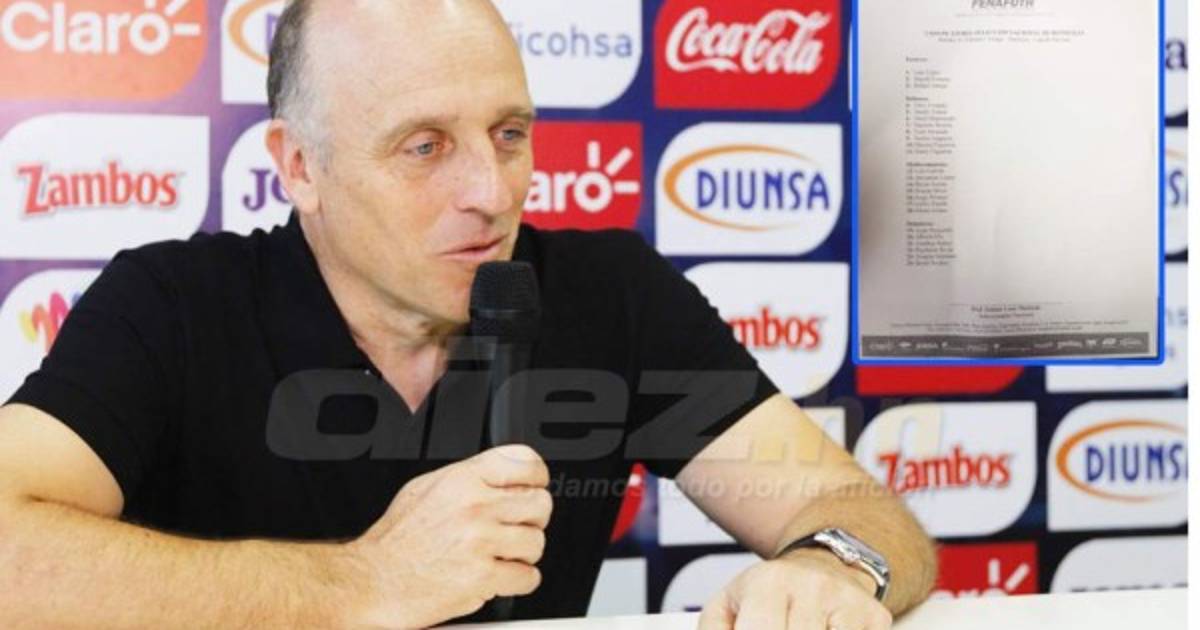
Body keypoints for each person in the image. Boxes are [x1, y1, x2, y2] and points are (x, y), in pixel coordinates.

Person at [0, 0, 937, 627]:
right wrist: (363, 585)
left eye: (509, 134)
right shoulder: (172, 305)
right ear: (299, 167)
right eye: (424, 146)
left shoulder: (610, 290)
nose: (491, 193)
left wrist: (830, 569)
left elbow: (860, 513)